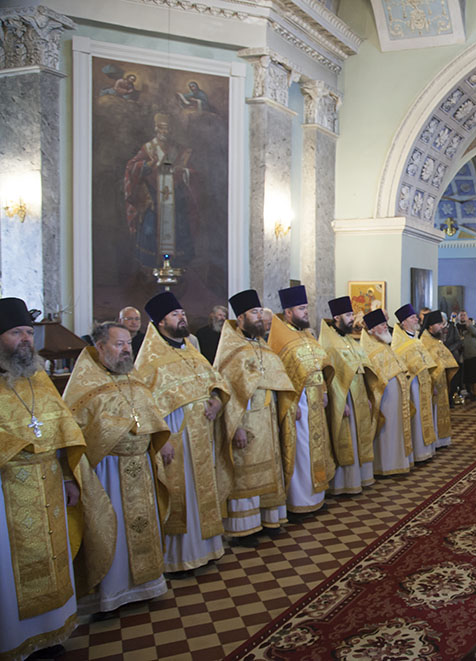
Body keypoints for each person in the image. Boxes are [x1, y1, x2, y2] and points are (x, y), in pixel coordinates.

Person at [0, 298, 113, 661]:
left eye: (28, 332)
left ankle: (51, 632)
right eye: (16, 332)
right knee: (12, 568)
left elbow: (64, 430)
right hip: (7, 489)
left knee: (53, 555)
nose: (25, 339)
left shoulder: (38, 377)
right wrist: (21, 448)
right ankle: (15, 641)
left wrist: (68, 476)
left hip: (48, 483)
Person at [63, 322, 171, 613]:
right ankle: (113, 593)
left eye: (129, 344)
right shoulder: (84, 384)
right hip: (106, 471)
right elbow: (71, 432)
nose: (126, 350)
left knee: (142, 524)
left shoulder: (133, 377)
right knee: (112, 528)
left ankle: (148, 585)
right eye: (119, 344)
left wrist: (161, 440)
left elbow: (150, 413)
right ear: (100, 347)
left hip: (141, 465)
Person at [136, 291, 229, 575]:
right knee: (183, 492)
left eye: (183, 313)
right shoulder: (149, 359)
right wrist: (159, 440)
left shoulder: (191, 350)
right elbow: (144, 405)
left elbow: (214, 382)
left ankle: (208, 548)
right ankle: (180, 557)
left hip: (202, 433)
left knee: (203, 489)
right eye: (175, 315)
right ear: (161, 322)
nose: (182, 318)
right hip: (176, 436)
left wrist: (216, 401)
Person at [213, 290, 295, 546]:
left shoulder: (262, 344)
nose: (259, 317)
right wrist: (235, 426)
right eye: (254, 313)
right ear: (240, 318)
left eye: (260, 312)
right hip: (246, 421)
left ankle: (269, 519)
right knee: (246, 474)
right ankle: (245, 528)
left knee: (270, 468)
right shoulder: (231, 350)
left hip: (267, 419)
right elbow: (227, 391)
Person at [268, 285, 334, 519]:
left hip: (315, 400)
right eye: (301, 308)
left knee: (317, 448)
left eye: (306, 307)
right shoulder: (279, 338)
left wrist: (324, 390)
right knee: (301, 450)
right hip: (298, 403)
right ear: (288, 312)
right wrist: (290, 404)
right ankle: (299, 501)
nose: (306, 312)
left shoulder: (307, 334)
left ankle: (316, 497)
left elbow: (318, 365)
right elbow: (279, 374)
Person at [124, 113, 198, 268]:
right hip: (153, 198)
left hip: (175, 199)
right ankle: (151, 267)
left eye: (168, 129)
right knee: (150, 229)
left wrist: (182, 171)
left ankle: (177, 265)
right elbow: (132, 167)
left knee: (179, 228)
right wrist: (148, 165)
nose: (165, 132)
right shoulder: (149, 148)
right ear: (156, 128)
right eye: (162, 128)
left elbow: (193, 172)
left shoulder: (179, 149)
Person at [320, 296, 375, 495]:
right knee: (347, 438)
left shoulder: (349, 339)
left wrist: (367, 396)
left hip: (358, 395)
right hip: (343, 398)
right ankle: (344, 484)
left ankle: (360, 478)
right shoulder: (329, 343)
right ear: (337, 317)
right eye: (348, 315)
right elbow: (329, 377)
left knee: (359, 436)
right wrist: (340, 403)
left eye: (352, 314)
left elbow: (360, 369)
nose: (353, 318)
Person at [361, 309, 414, 475]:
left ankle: (399, 462)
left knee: (396, 430)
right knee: (387, 432)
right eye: (382, 324)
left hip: (396, 399)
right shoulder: (369, 350)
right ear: (372, 329)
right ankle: (385, 466)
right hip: (385, 399)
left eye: (385, 324)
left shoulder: (384, 345)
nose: (386, 327)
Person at [392, 304, 438, 462]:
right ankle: (418, 452)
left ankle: (427, 450)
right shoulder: (398, 342)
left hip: (423, 382)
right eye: (413, 318)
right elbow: (400, 362)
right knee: (416, 417)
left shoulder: (416, 338)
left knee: (425, 414)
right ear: (404, 322)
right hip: (412, 384)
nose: (417, 319)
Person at [420, 310, 459, 448]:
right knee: (433, 411)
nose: (442, 327)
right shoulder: (424, 341)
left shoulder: (435, 339)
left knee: (441, 409)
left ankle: (442, 439)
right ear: (430, 326)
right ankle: (435, 441)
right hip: (432, 381)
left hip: (440, 379)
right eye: (439, 324)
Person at [457, 311, 476, 401]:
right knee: (468, 377)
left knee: (475, 377)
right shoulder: (457, 328)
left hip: (475, 354)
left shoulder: (473, 326)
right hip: (465, 356)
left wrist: (469, 326)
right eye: (461, 315)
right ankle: (471, 393)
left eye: (464, 315)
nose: (462, 317)